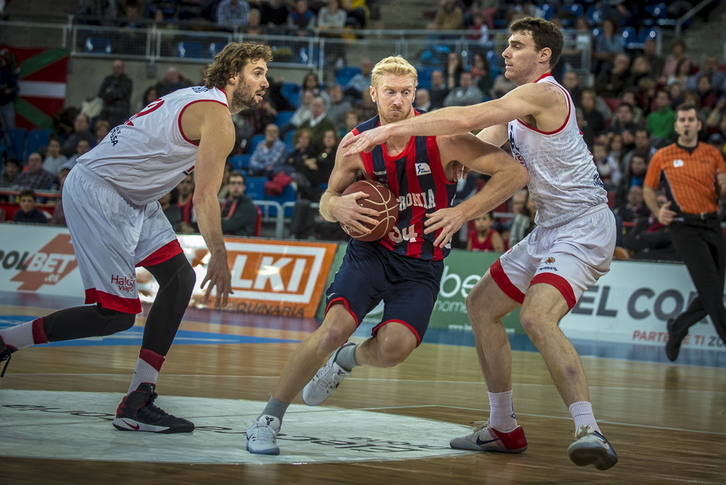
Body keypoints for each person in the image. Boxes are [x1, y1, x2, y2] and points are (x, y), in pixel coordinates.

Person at [343, 18, 620, 470]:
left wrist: (390, 131)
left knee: (536, 317)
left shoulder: (545, 93)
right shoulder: (518, 109)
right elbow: (479, 137)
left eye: (516, 46)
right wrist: (460, 163)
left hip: (584, 225)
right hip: (550, 227)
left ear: (543, 56)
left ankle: (590, 430)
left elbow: (469, 116)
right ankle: (503, 427)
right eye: (506, 45)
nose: (506, 53)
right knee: (480, 305)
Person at [245, 55, 528, 455]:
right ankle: (268, 419)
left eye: (406, 92)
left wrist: (465, 211)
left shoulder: (443, 137)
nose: (398, 100)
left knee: (394, 348)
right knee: (332, 328)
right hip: (371, 252)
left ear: (416, 94)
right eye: (390, 92)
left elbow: (515, 173)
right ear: (374, 93)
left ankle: (351, 358)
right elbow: (326, 199)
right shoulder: (355, 143)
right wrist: (336, 207)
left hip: (422, 263)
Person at [0, 42, 273, 434]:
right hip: (101, 190)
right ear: (233, 75)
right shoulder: (217, 117)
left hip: (133, 197)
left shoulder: (193, 96)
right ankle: (7, 341)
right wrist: (219, 252)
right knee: (115, 314)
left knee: (180, 279)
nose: (265, 82)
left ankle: (138, 398)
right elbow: (204, 196)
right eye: (258, 72)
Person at [643, 103, 726, 362]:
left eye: (692, 119)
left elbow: (722, 191)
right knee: (712, 293)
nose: (687, 123)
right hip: (683, 227)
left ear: (699, 124)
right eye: (683, 120)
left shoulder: (713, 154)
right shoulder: (663, 156)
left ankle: (678, 327)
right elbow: (648, 189)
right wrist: (658, 212)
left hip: (712, 223)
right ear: (677, 125)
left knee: (712, 291)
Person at [98, 59, 133, 128]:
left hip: (120, 111)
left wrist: (110, 93)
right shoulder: (108, 79)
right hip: (107, 110)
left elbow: (122, 94)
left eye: (118, 68)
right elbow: (101, 94)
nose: (116, 70)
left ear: (123, 69)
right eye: (114, 68)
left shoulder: (127, 81)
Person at [221, 171, 257, 236]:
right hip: (226, 239)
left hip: (242, 240)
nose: (236, 186)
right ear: (228, 186)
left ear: (244, 187)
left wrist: (217, 221)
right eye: (233, 183)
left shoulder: (247, 204)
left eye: (239, 183)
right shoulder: (226, 203)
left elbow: (230, 225)